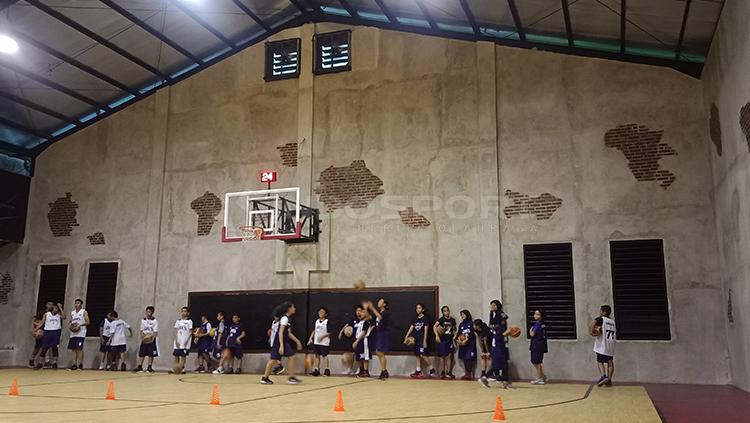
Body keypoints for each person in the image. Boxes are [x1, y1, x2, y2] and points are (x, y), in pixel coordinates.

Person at [261, 302, 303, 385]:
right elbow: (280, 332)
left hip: (282, 341)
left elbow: (288, 333)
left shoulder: (287, 319)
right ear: (289, 309)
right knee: (281, 358)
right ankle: (290, 377)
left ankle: (265, 378)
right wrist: (281, 346)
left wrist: (297, 341)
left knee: (277, 359)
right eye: (293, 307)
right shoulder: (285, 319)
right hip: (279, 341)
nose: (295, 309)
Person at [405, 303, 434, 378]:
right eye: (417, 308)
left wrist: (424, 340)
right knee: (417, 355)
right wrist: (406, 336)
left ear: (423, 309)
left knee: (423, 354)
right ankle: (418, 371)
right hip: (416, 339)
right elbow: (411, 327)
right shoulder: (415, 318)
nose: (417, 309)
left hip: (421, 339)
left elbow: (426, 330)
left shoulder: (425, 318)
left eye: (419, 308)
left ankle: (431, 368)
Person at [590, 304, 616, 387]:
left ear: (604, 312)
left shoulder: (601, 319)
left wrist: (591, 332)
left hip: (602, 344)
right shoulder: (612, 322)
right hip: (611, 344)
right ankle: (609, 379)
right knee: (610, 362)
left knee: (600, 361)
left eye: (600, 311)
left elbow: (593, 322)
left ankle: (603, 376)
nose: (600, 312)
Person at [488, 300, 512, 388]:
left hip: (501, 339)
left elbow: (504, 329)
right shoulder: (492, 315)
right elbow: (491, 325)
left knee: (501, 358)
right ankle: (499, 376)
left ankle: (490, 375)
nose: (492, 307)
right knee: (496, 357)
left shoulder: (501, 315)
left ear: (497, 306)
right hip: (495, 338)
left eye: (493, 305)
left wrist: (503, 335)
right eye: (491, 305)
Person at [35, 302, 65, 369]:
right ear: (52, 308)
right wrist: (35, 329)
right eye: (55, 308)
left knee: (55, 348)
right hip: (48, 331)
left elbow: (64, 317)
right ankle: (40, 363)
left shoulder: (58, 314)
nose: (56, 309)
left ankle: (54, 363)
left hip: (56, 331)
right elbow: (42, 323)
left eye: (57, 308)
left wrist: (61, 308)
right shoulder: (46, 314)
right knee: (44, 348)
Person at [367, 298, 390, 380]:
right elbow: (369, 317)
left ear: (384, 304)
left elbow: (380, 317)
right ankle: (384, 371)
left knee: (380, 352)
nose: (378, 302)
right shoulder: (378, 312)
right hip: (378, 333)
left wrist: (372, 307)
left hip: (384, 333)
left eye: (381, 301)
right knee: (378, 352)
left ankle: (384, 371)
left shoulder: (385, 313)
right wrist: (366, 309)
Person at [133, 306, 159, 373]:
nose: (147, 313)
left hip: (151, 339)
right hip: (144, 339)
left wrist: (151, 338)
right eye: (147, 312)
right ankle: (140, 366)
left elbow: (155, 331)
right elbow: (141, 330)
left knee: (151, 354)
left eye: (149, 312)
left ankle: (149, 367)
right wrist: (143, 338)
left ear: (152, 313)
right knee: (142, 353)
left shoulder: (155, 321)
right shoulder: (143, 320)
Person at [434, 305, 457, 379]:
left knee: (449, 356)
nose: (446, 312)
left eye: (447, 310)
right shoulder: (441, 320)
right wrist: (437, 335)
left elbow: (454, 329)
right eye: (445, 311)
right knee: (442, 356)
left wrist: (455, 336)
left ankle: (449, 372)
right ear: (443, 312)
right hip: (443, 339)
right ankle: (442, 371)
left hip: (449, 339)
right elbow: (434, 326)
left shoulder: (452, 320)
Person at [307, 306, 331, 377]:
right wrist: (310, 338)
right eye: (319, 312)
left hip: (324, 342)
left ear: (325, 314)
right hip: (317, 341)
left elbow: (330, 332)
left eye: (322, 312)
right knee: (317, 355)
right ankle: (316, 370)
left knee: (324, 356)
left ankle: (327, 370)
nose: (320, 313)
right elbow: (314, 330)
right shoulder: (317, 321)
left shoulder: (327, 321)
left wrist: (322, 337)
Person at [67, 298, 89, 370]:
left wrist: (79, 325)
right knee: (73, 349)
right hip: (73, 333)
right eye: (75, 303)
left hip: (81, 333)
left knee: (79, 348)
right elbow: (70, 322)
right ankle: (74, 364)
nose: (76, 304)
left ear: (81, 305)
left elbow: (88, 322)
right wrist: (71, 326)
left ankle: (80, 364)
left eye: (78, 303)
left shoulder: (84, 312)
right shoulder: (72, 313)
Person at [352, 305, 373, 378]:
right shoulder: (359, 322)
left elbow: (364, 332)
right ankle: (361, 370)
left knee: (365, 356)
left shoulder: (366, 322)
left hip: (364, 340)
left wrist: (356, 341)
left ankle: (366, 371)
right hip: (359, 340)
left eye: (363, 312)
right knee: (359, 356)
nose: (361, 313)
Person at [529, 309, 548, 384]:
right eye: (535, 314)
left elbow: (532, 334)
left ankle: (540, 378)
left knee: (537, 362)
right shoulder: (543, 324)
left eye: (538, 314)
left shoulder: (537, 324)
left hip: (537, 345)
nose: (535, 315)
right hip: (541, 345)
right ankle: (542, 376)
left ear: (541, 316)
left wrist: (530, 331)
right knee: (537, 362)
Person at [457, 309, 477, 380]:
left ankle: (470, 372)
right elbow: (459, 333)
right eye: (461, 315)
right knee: (464, 358)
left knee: (469, 358)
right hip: (463, 344)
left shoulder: (471, 323)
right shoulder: (461, 324)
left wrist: (466, 340)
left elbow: (471, 334)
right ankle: (466, 372)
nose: (462, 316)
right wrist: (459, 340)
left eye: (463, 314)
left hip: (470, 344)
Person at [172, 306, 193, 374]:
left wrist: (187, 341)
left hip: (185, 341)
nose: (183, 313)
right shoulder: (178, 321)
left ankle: (182, 368)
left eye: (185, 311)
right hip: (178, 341)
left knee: (183, 356)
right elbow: (175, 331)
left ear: (188, 313)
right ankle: (175, 369)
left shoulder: (189, 321)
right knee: (176, 355)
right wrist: (176, 340)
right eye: (182, 311)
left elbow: (190, 332)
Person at [474, 319, 492, 386]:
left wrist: (487, 352)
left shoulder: (485, 330)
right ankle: (483, 373)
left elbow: (485, 341)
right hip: (484, 342)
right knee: (483, 356)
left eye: (474, 325)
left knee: (489, 357)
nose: (473, 326)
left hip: (490, 343)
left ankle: (489, 373)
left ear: (478, 326)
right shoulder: (476, 330)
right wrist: (482, 351)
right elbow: (479, 339)